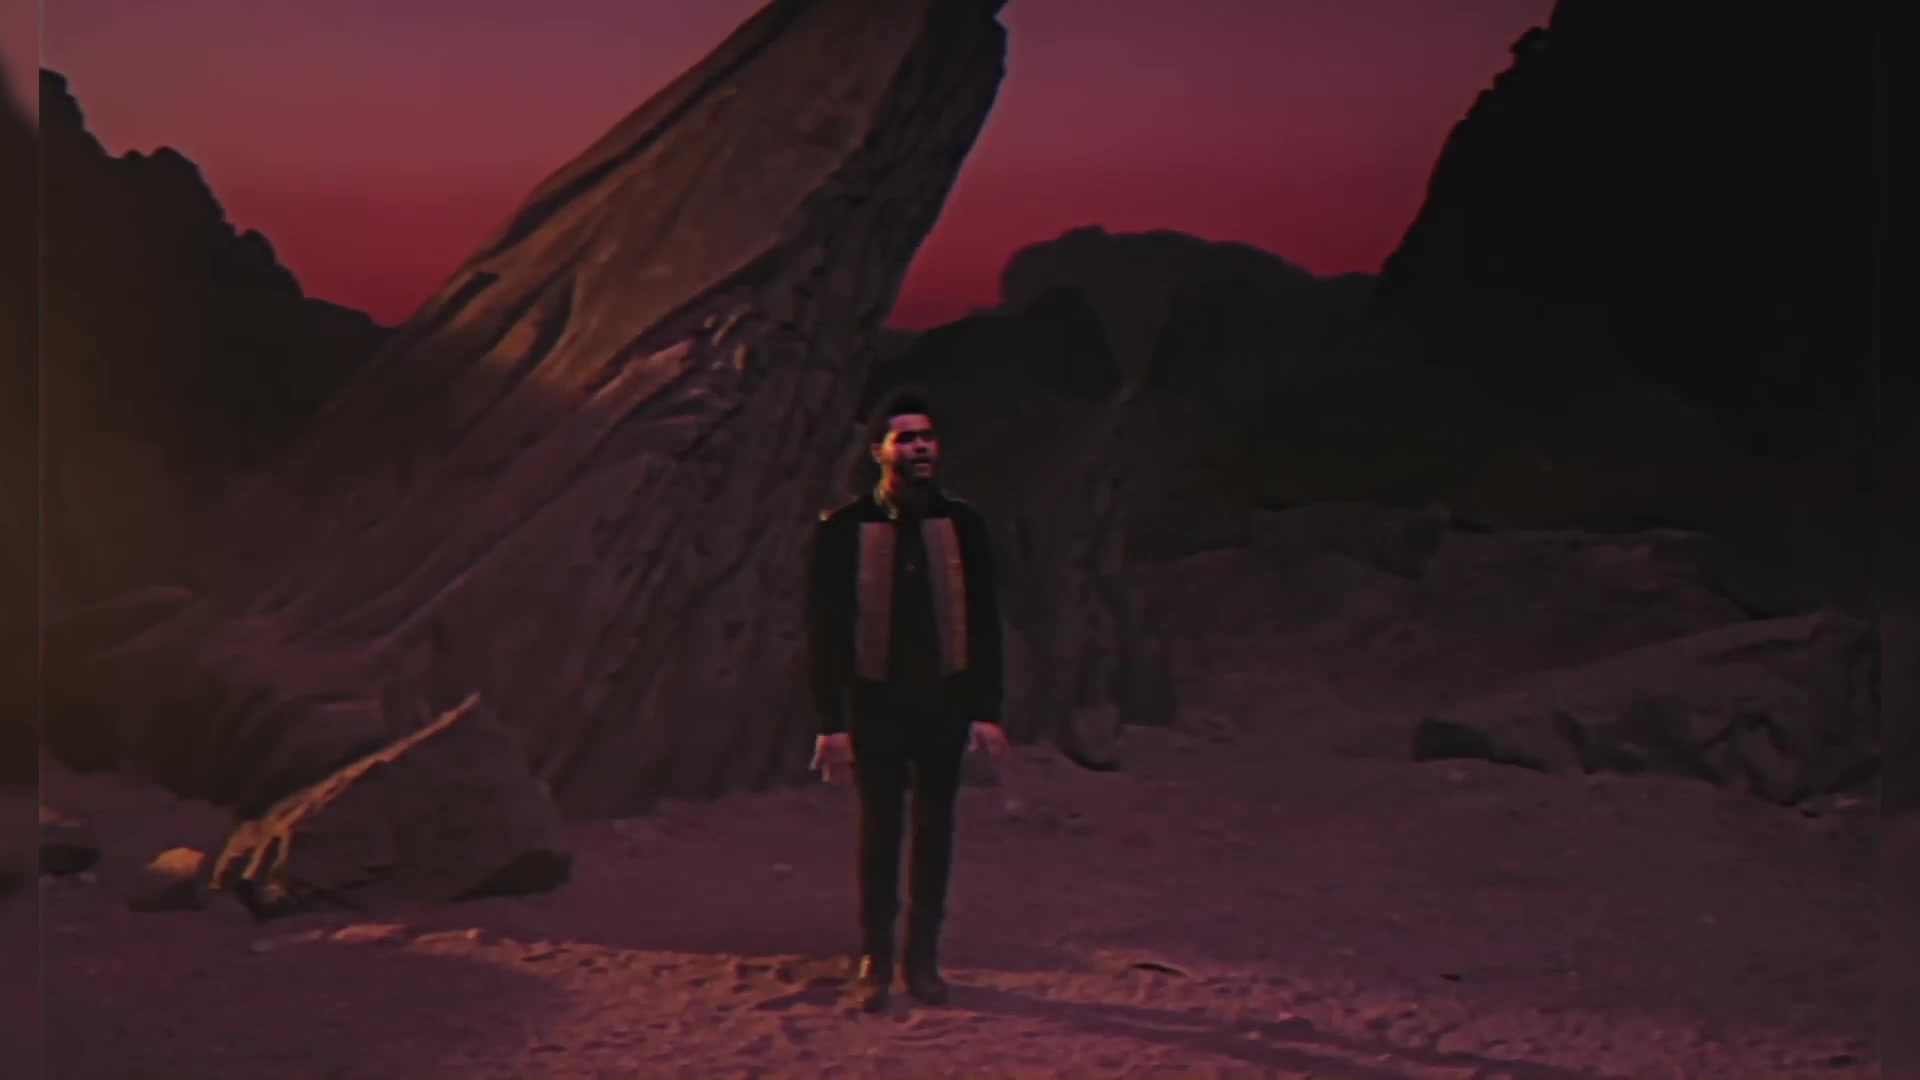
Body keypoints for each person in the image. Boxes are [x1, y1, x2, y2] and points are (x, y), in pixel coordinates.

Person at [805, 389, 1010, 1013]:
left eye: (927, 437)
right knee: (879, 831)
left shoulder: (963, 526)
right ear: (879, 451)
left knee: (934, 829)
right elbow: (826, 632)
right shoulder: (844, 529)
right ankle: (876, 956)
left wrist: (986, 711)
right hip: (875, 704)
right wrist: (832, 722)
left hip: (943, 702)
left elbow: (985, 623)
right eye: (906, 438)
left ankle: (922, 958)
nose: (919, 447)